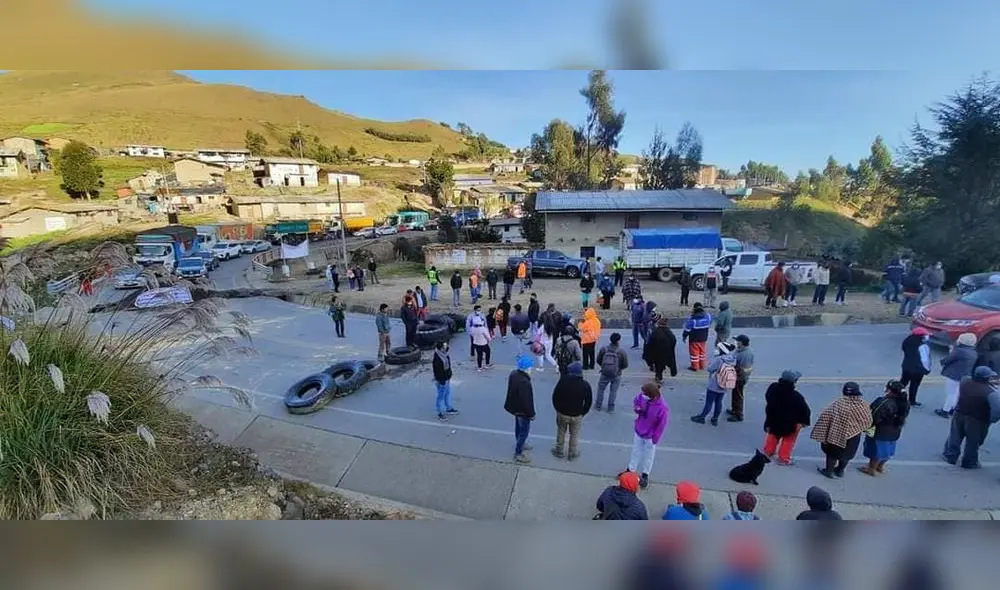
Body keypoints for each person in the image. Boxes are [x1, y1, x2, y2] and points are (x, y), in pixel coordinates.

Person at [812, 381, 873, 479]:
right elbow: (867, 420)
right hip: (853, 436)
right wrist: (855, 428)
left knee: (832, 454)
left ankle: (829, 471)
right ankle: (840, 471)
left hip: (835, 435)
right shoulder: (863, 405)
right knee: (847, 455)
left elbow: (826, 416)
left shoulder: (838, 404)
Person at [942, 366, 1000, 469]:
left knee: (955, 436)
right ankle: (969, 462)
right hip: (977, 420)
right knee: (973, 441)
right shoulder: (990, 392)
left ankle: (951, 456)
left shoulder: (965, 382)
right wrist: (991, 420)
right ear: (987, 378)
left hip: (959, 413)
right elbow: (997, 410)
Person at [859, 380, 910, 476]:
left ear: (890, 390)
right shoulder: (905, 403)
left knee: (875, 451)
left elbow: (873, 416)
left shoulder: (883, 402)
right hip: (895, 431)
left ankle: (871, 469)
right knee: (887, 451)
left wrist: (865, 427)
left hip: (879, 431)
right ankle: (880, 466)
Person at [762, 370, 810, 465]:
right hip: (790, 424)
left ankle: (768, 452)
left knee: (773, 436)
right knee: (788, 441)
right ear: (794, 382)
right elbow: (805, 410)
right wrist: (804, 422)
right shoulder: (796, 396)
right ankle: (783, 458)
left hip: (773, 420)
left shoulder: (773, 388)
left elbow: (768, 399)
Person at [628, 382, 669, 490]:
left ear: (652, 396)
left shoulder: (662, 407)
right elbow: (636, 400)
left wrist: (655, 438)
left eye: (645, 394)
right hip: (639, 430)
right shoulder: (643, 396)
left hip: (650, 436)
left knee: (648, 456)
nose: (642, 395)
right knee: (635, 451)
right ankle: (631, 470)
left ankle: (645, 474)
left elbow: (662, 424)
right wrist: (637, 408)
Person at [551, 361, 593, 460]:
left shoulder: (563, 381)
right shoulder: (585, 385)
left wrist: (557, 409)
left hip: (562, 413)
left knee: (561, 431)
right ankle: (572, 453)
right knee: (574, 434)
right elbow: (588, 401)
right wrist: (583, 413)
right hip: (577, 414)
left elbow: (555, 396)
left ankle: (559, 450)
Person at [691, 341, 738, 426]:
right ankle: (715, 419)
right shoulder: (731, 359)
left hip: (715, 384)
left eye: (718, 348)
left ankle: (702, 417)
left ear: (722, 350)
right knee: (719, 402)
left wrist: (712, 361)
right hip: (724, 384)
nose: (716, 349)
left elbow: (710, 368)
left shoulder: (719, 359)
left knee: (709, 402)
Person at [935, 332, 979, 418]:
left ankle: (945, 410)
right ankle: (952, 409)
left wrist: (950, 352)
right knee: (957, 393)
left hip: (953, 375)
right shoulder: (974, 352)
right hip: (965, 376)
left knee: (950, 394)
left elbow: (947, 360)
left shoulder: (959, 351)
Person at [504, 355, 536, 463]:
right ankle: (518, 452)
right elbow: (527, 401)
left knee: (518, 427)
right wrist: (532, 414)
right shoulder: (524, 382)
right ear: (526, 368)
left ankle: (520, 443)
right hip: (523, 411)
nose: (531, 369)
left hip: (515, 408)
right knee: (524, 432)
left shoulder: (514, 374)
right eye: (530, 367)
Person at [595, 332, 629, 412]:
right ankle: (610, 407)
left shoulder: (604, 349)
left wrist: (604, 367)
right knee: (613, 391)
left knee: (601, 389)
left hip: (605, 372)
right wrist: (619, 369)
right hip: (616, 374)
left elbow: (598, 360)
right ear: (618, 341)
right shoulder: (621, 351)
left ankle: (598, 405)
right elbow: (625, 364)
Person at [900, 327, 932, 407]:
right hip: (918, 369)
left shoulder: (907, 341)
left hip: (906, 366)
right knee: (914, 385)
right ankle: (912, 401)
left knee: (903, 383)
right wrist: (927, 369)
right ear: (921, 336)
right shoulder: (923, 345)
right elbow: (925, 359)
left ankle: (897, 397)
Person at [727, 335, 755, 422]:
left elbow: (740, 368)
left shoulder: (745, 354)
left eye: (737, 341)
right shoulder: (741, 350)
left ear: (741, 343)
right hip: (738, 376)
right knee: (735, 393)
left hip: (740, 377)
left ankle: (738, 414)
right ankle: (734, 410)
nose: (736, 342)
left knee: (738, 395)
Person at [643, 317, 678, 385]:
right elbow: (674, 340)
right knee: (663, 364)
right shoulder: (669, 332)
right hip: (667, 351)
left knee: (658, 365)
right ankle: (661, 374)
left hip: (657, 352)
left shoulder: (655, 332)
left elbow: (650, 343)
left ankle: (659, 377)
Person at [682, 302, 712, 371]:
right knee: (702, 352)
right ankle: (702, 365)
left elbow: (687, 329)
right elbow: (710, 323)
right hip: (704, 338)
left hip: (694, 339)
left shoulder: (692, 320)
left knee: (694, 353)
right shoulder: (708, 316)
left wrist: (684, 336)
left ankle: (695, 366)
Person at [432, 341, 458, 421]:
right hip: (442, 380)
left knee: (447, 394)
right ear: (441, 348)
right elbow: (437, 372)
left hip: (447, 378)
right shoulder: (438, 359)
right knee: (440, 397)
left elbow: (448, 366)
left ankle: (448, 408)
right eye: (445, 347)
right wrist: (441, 381)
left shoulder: (444, 354)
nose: (447, 348)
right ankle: (439, 413)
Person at [535, 303, 559, 371]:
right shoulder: (552, 326)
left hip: (542, 342)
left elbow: (538, 334)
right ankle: (556, 365)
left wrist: (536, 341)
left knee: (540, 354)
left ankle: (541, 367)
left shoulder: (543, 327)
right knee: (548, 355)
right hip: (550, 342)